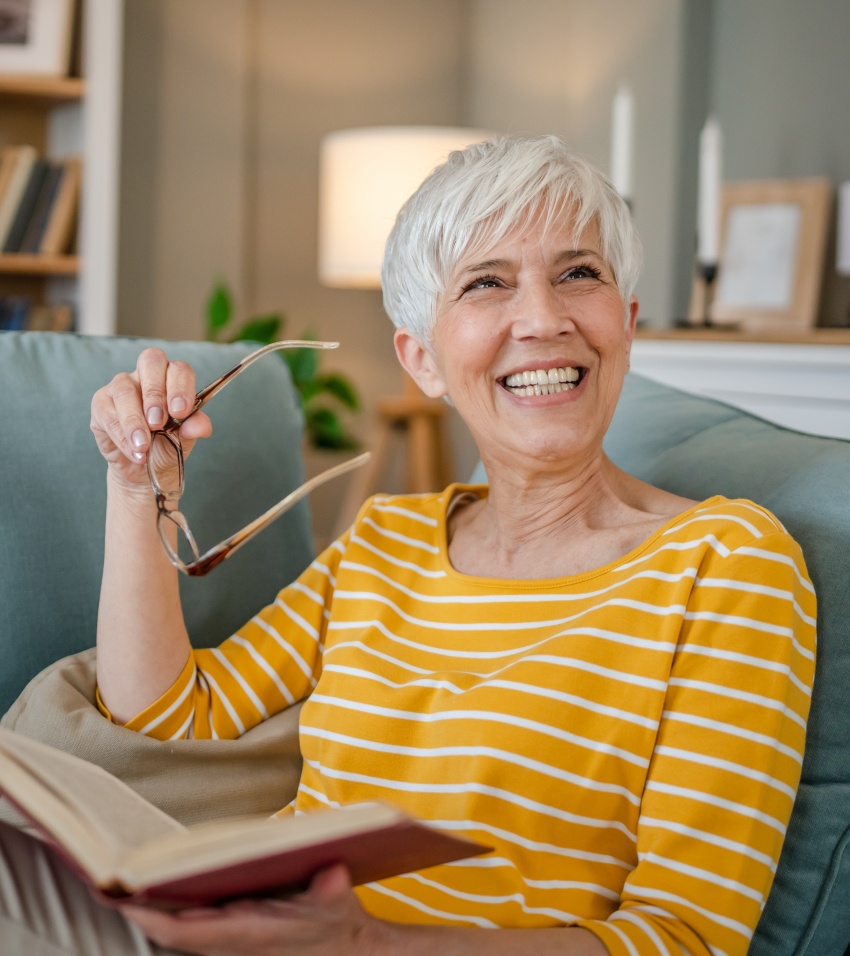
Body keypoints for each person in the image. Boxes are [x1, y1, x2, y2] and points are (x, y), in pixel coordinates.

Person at [2, 135, 815, 956]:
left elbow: (689, 938)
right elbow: (171, 717)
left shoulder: (726, 563)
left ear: (627, 324)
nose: (543, 318)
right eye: (486, 284)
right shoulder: (387, 541)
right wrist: (136, 485)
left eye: (579, 273)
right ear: (421, 359)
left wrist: (364, 943)